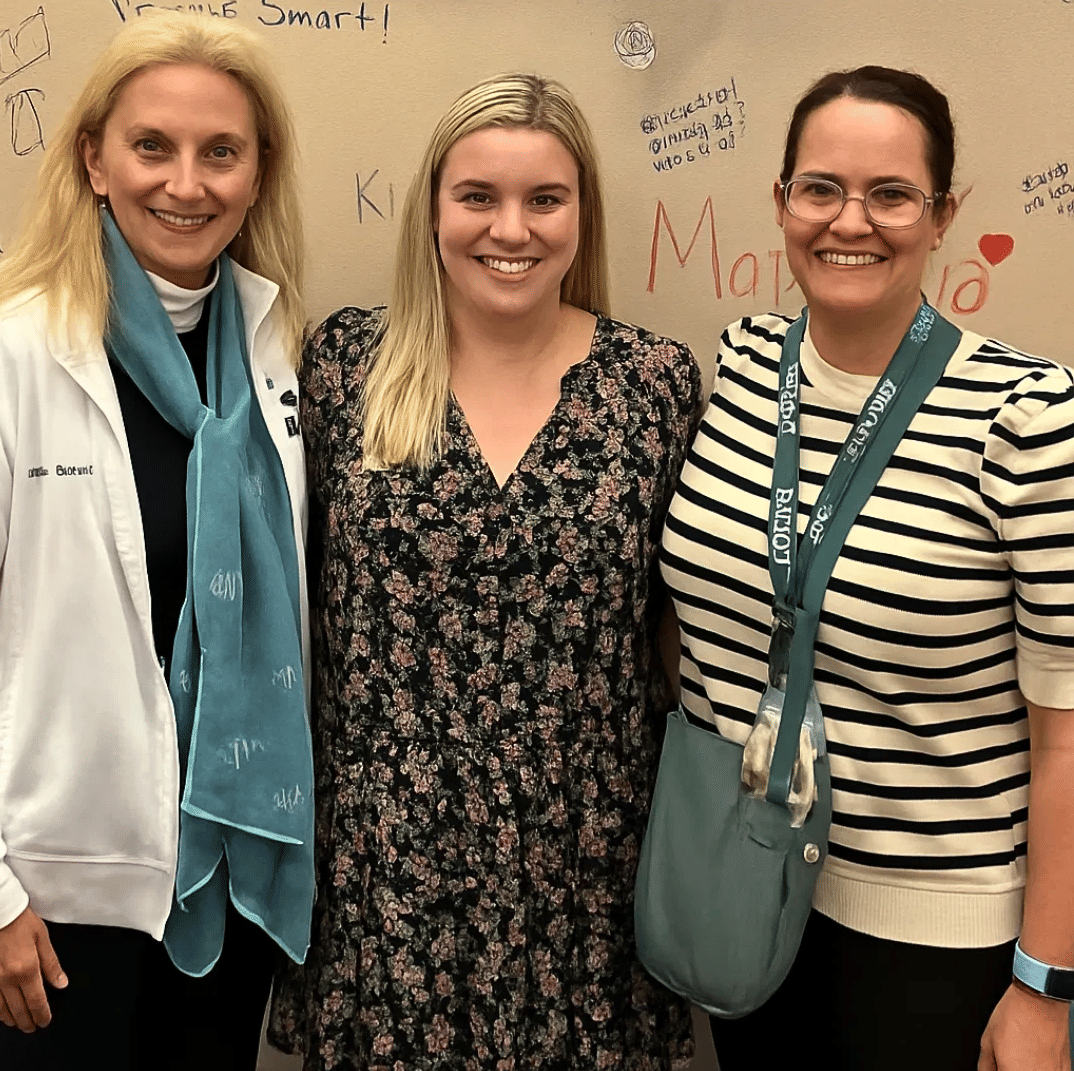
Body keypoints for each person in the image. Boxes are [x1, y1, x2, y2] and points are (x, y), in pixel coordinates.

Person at [268, 73, 701, 1070]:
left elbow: (684, 624)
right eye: (478, 197)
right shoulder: (346, 368)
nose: (512, 229)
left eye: (545, 198)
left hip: (587, 865)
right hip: (389, 863)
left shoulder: (653, 383)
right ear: (432, 207)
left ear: (582, 213)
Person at [660, 65, 1074, 1071]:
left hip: (930, 931)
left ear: (943, 216)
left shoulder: (1030, 420)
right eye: (821, 189)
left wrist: (1045, 991)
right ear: (782, 202)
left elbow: (1069, 740)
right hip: (741, 882)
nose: (853, 220)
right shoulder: (746, 362)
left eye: (891, 194)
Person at [0, 11, 313, 1071]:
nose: (188, 183)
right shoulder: (17, 354)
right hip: (54, 899)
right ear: (93, 158)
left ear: (257, 172)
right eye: (152, 147)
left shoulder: (277, 356)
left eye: (220, 151)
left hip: (228, 867)